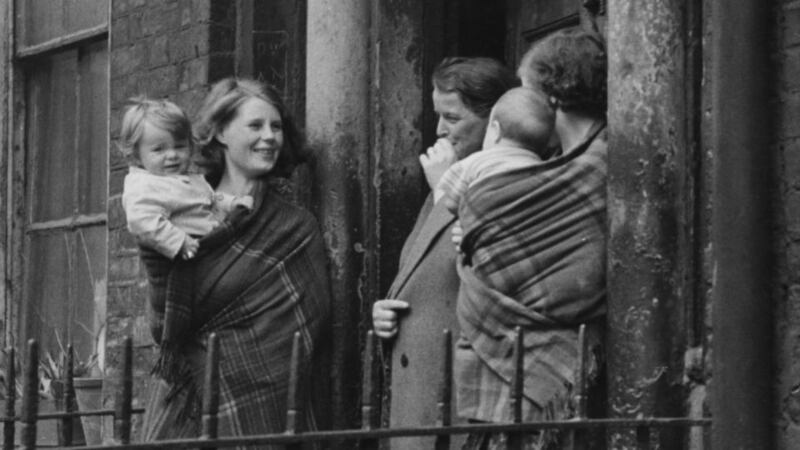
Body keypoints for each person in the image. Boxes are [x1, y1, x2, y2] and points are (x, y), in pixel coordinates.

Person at [140, 78, 331, 449]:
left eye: (276, 126)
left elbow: (306, 330)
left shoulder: (295, 229)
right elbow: (162, 325)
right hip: (182, 401)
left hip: (261, 409)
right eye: (256, 126)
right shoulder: (176, 213)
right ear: (222, 132)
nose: (270, 137)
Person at [453, 27, 608, 450]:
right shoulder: (552, 165)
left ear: (552, 96)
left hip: (561, 393)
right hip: (515, 396)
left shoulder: (603, 169)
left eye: (528, 90)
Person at [371, 57, 518, 449]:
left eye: (452, 117)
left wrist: (444, 195)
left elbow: (490, 269)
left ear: (493, 121)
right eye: (439, 116)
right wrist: (387, 310)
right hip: (422, 395)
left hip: (459, 405)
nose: (439, 130)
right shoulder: (456, 176)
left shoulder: (504, 182)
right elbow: (425, 270)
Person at [119, 97, 252, 261]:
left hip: (215, 242)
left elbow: (211, 199)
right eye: (159, 150)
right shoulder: (144, 185)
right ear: (137, 155)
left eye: (179, 146)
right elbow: (142, 221)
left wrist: (232, 203)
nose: (172, 155)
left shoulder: (188, 179)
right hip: (189, 252)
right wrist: (179, 241)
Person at [434, 87, 555, 213]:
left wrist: (439, 181)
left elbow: (450, 204)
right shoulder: (545, 170)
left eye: (452, 118)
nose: (438, 130)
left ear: (495, 130)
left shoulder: (476, 162)